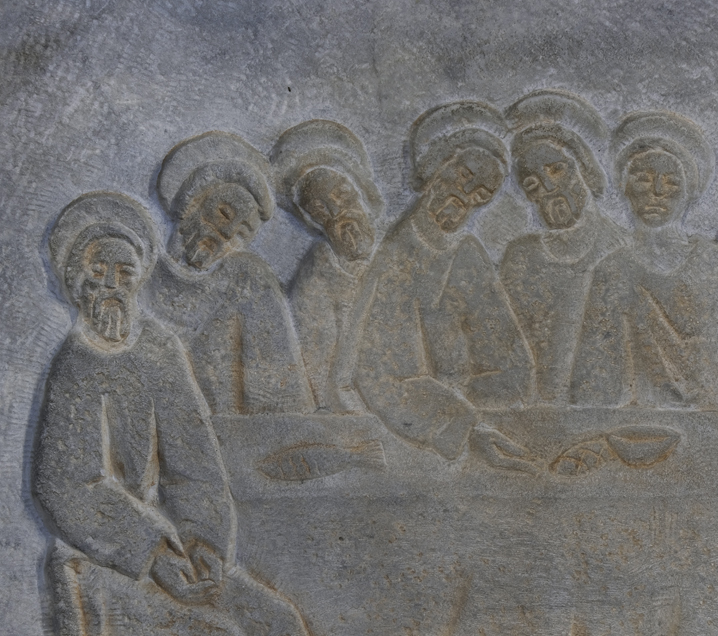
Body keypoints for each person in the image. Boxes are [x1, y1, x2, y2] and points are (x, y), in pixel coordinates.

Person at [34, 192, 391, 636]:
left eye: (124, 272)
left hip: (177, 547)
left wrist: (202, 544)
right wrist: (152, 551)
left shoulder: (160, 350)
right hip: (100, 564)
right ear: (75, 279)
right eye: (98, 271)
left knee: (274, 617)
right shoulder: (74, 365)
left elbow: (195, 463)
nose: (112, 287)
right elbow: (67, 488)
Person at [353, 100, 539, 472]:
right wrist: (466, 425)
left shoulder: (467, 254)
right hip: (418, 447)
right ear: (434, 167)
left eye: (482, 193)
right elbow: (381, 376)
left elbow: (514, 368)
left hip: (477, 426)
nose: (466, 195)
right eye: (464, 174)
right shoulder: (396, 256)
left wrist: (468, 399)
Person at [571, 111, 718, 409]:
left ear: (689, 192)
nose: (657, 192)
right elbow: (593, 380)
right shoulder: (613, 269)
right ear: (624, 186)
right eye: (643, 180)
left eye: (670, 183)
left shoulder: (710, 261)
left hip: (709, 417)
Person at [148, 131, 312, 414]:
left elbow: (280, 395)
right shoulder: (138, 269)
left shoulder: (247, 279)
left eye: (241, 233)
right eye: (224, 212)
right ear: (193, 202)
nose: (226, 232)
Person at [500, 90, 626, 402]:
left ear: (585, 168)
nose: (548, 187)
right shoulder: (521, 257)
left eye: (557, 169)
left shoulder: (622, 248)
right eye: (532, 183)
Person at [272, 119, 384, 412]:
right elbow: (315, 363)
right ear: (311, 220)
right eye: (321, 210)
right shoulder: (318, 272)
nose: (339, 213)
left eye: (343, 195)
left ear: (362, 191)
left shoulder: (399, 247)